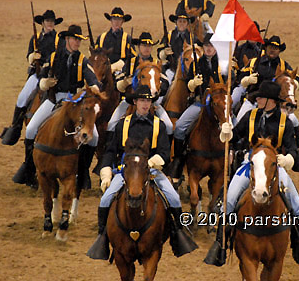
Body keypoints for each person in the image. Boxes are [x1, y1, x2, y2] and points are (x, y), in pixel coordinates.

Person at [205, 81, 299, 266]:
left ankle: (298, 243)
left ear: (270, 101)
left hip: (275, 165)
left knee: (297, 205)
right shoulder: (250, 115)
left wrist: (288, 158)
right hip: (250, 164)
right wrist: (227, 134)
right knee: (229, 200)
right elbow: (235, 138)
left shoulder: (285, 122)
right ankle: (220, 245)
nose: (257, 100)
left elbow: (293, 148)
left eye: (261, 97)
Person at [94, 85, 198, 259]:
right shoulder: (122, 124)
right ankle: (102, 236)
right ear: (135, 102)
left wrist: (150, 163)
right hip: (125, 172)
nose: (145, 104)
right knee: (105, 199)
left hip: (152, 171)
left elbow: (165, 153)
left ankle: (177, 234)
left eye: (148, 101)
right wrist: (105, 171)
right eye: (142, 100)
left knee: (173, 197)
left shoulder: (160, 126)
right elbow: (111, 150)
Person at [12, 25, 102, 190]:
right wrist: (43, 83)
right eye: (75, 39)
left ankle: (83, 173)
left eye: (79, 40)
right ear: (67, 39)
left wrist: (95, 85)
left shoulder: (83, 60)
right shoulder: (54, 57)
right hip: (55, 100)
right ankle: (29, 168)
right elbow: (41, 75)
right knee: (31, 129)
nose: (77, 43)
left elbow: (91, 76)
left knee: (94, 137)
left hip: (75, 103)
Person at [168, 33, 229, 188]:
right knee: (180, 127)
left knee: (232, 126)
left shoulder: (223, 64)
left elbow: (230, 82)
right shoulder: (196, 64)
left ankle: (231, 161)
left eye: (212, 46)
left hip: (220, 104)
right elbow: (188, 83)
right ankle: (179, 160)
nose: (209, 49)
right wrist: (192, 84)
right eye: (207, 46)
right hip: (200, 104)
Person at [0, 9, 63, 146]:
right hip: (37, 74)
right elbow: (28, 55)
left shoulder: (59, 39)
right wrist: (32, 57)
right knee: (22, 97)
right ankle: (15, 126)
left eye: (52, 21)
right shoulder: (35, 39)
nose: (50, 24)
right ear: (42, 23)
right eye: (47, 21)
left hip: (52, 76)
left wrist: (48, 63)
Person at [235, 35, 299, 150]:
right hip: (253, 100)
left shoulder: (284, 66)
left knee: (294, 120)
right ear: (266, 47)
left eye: (276, 48)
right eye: (270, 47)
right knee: (239, 120)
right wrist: (247, 79)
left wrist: (292, 83)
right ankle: (238, 149)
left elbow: (297, 80)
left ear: (279, 50)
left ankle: (295, 149)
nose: (272, 50)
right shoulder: (254, 62)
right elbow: (241, 75)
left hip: (273, 103)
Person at [108, 32, 173, 137]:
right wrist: (124, 83)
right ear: (138, 47)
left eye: (149, 46)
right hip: (130, 101)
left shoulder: (156, 64)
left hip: (151, 102)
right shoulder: (130, 62)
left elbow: (165, 83)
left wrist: (159, 88)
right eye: (144, 45)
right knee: (111, 124)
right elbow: (117, 82)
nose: (146, 48)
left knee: (169, 126)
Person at [95, 7, 136, 74]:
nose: (116, 22)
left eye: (119, 19)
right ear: (111, 20)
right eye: (114, 19)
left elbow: (133, 58)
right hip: (103, 72)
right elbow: (95, 55)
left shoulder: (127, 38)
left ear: (122, 21)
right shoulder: (101, 38)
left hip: (121, 73)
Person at [158, 11, 195, 83]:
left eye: (184, 22)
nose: (182, 23)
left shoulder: (192, 37)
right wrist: (164, 53)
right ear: (176, 22)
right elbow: (159, 52)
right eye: (180, 21)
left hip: (188, 72)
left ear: (187, 23)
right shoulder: (169, 35)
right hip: (171, 70)